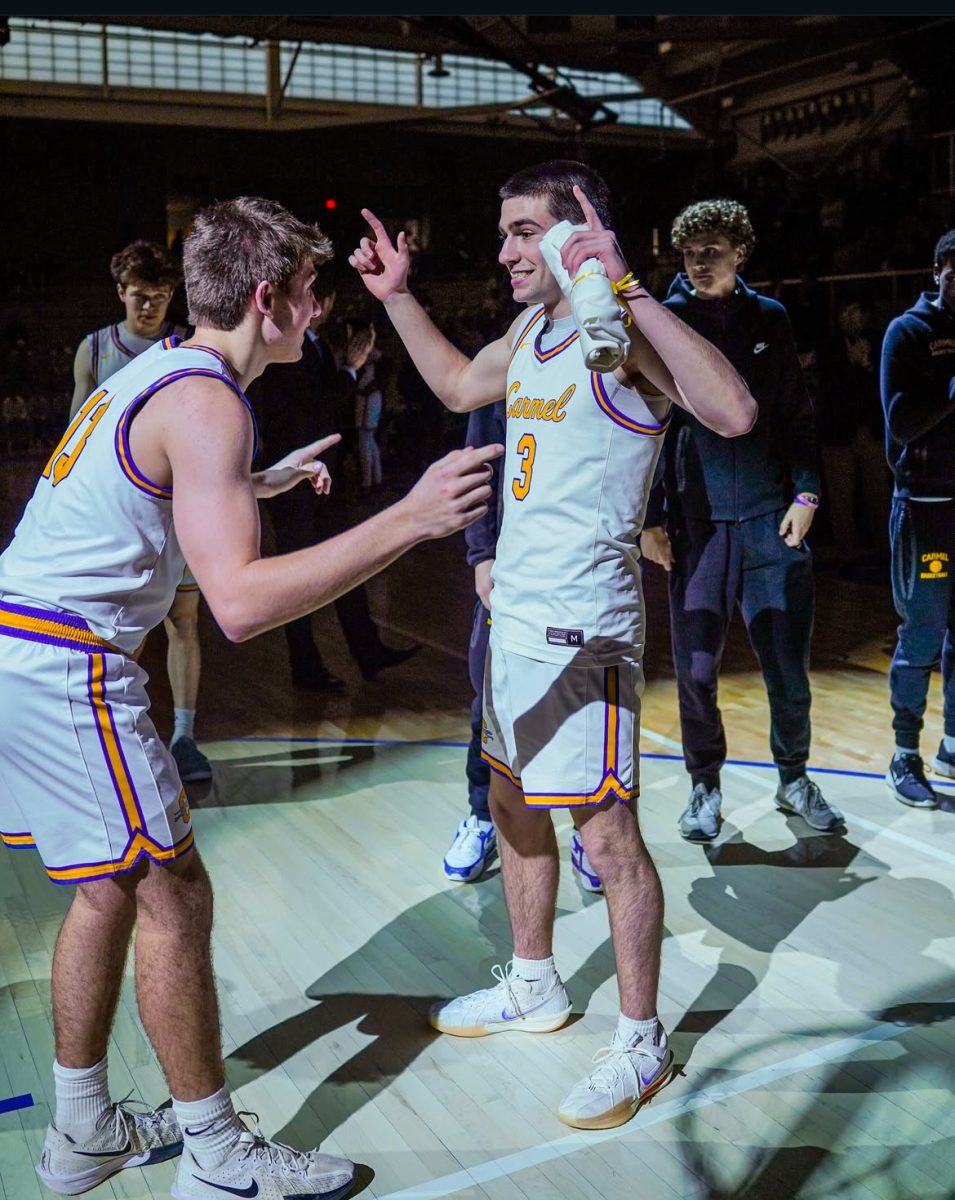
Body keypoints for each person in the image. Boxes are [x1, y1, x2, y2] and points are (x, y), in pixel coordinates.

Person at [0, 195, 501, 1198]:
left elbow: (147, 486)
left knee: (106, 888)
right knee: (175, 895)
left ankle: (84, 1132)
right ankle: (220, 1155)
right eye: (312, 293)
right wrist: (408, 518)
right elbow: (236, 606)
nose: (318, 311)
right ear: (268, 299)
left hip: (25, 646)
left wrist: (249, 483)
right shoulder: (207, 400)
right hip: (65, 666)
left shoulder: (166, 377)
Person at [350, 160, 756, 1129]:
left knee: (606, 836)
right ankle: (534, 984)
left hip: (586, 633)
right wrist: (398, 298)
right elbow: (454, 385)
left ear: (580, 231)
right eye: (504, 233)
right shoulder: (531, 332)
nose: (504, 252)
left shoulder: (623, 342)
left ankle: (640, 1039)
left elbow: (732, 411)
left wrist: (622, 285)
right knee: (509, 800)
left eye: (524, 231)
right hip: (514, 622)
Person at [640, 198, 844, 844]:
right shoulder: (664, 322)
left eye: (713, 250)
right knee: (696, 671)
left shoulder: (771, 321)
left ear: (740, 253)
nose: (699, 262)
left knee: (786, 668)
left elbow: (795, 417)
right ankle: (704, 785)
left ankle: (793, 776)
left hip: (768, 522)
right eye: (690, 252)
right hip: (695, 531)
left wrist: (807, 493)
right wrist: (647, 518)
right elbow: (641, 429)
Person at [442, 397, 604, 894]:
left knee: (585, 703)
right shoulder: (505, 361)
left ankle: (589, 831)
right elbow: (478, 463)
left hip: (582, 571)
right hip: (513, 569)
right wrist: (481, 554)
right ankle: (483, 815)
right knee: (491, 703)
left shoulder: (605, 351)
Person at [71, 240, 212, 783]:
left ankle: (184, 737)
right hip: (121, 519)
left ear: (172, 294)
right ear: (120, 294)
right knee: (120, 631)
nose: (148, 306)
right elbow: (76, 441)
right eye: (138, 296)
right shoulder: (95, 348)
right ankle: (122, 741)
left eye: (157, 296)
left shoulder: (186, 346)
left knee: (184, 622)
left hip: (178, 511)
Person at [250, 281, 421, 692]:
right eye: (315, 295)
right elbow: (315, 413)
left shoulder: (315, 344)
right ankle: (305, 668)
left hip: (324, 479)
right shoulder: (284, 350)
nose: (318, 305)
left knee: (348, 567)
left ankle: (368, 652)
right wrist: (349, 371)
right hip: (289, 483)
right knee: (298, 580)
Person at [881, 228, 955, 810]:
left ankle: (951, 747)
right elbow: (901, 424)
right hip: (926, 507)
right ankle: (905, 752)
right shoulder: (907, 332)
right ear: (937, 271)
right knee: (923, 633)